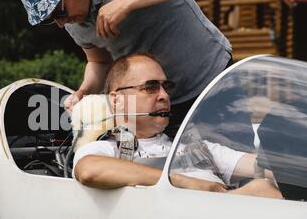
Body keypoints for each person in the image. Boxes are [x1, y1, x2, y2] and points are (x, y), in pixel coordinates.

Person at [7, 0, 233, 138]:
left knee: (238, 172)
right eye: (50, 18)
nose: (60, 23)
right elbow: (99, 63)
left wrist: (126, 3)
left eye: (59, 11)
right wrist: (85, 91)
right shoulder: (73, 23)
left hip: (212, 82)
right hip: (159, 108)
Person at [71, 53, 282, 199]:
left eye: (166, 87)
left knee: (266, 187)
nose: (164, 95)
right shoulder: (108, 149)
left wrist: (287, 164)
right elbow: (88, 170)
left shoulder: (197, 148)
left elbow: (264, 166)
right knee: (261, 190)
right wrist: (181, 182)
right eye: (151, 87)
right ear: (116, 100)